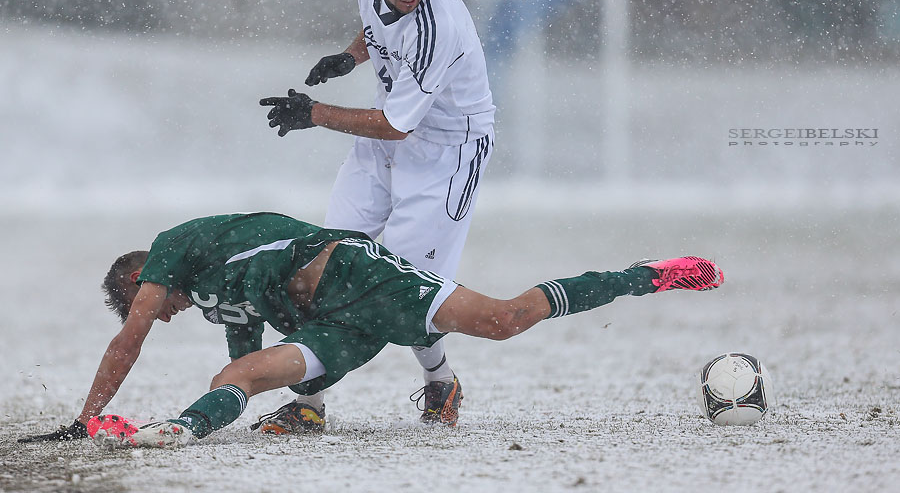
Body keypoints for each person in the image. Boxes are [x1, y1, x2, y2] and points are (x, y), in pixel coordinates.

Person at [16, 212, 723, 446]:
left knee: (506, 321)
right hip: (333, 327)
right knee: (229, 378)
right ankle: (176, 430)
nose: (156, 312)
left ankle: (650, 273)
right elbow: (247, 354)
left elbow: (128, 337)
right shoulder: (211, 297)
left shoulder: (174, 247)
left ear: (143, 277)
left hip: (360, 276)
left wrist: (85, 418)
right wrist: (288, 390)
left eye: (145, 299)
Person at [259, 0, 496, 431]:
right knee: (326, 263)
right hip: (387, 139)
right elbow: (378, 29)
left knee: (400, 289)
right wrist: (350, 57)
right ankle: (308, 405)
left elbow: (396, 124)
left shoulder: (441, 27)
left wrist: (313, 114)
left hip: (444, 154)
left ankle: (441, 381)